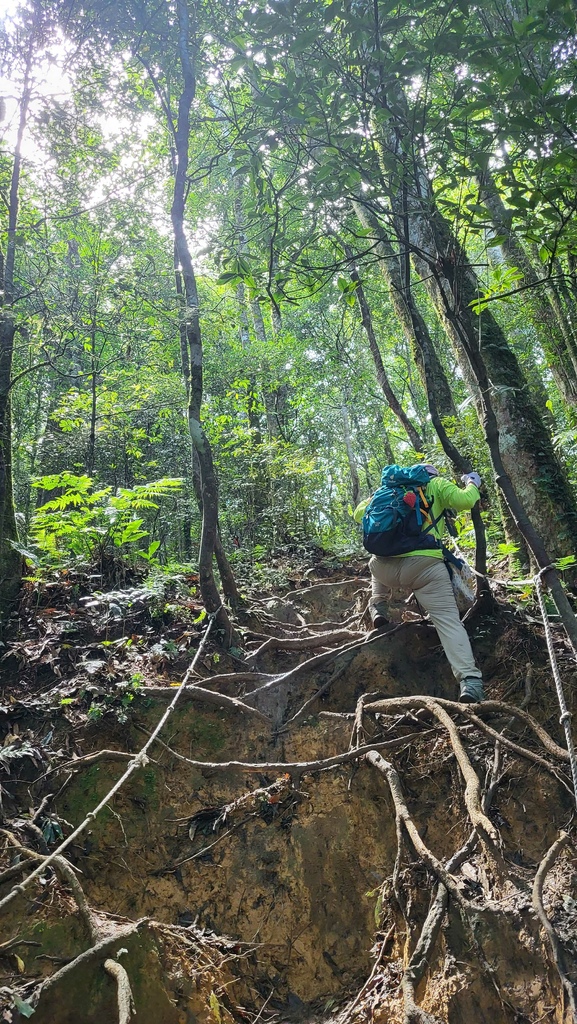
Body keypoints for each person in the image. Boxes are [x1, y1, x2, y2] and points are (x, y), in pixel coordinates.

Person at [354, 464, 485, 704]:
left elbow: (358, 514)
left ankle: (378, 606)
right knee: (448, 623)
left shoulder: (385, 491)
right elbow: (466, 501)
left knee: (377, 555)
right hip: (425, 569)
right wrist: (472, 483)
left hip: (384, 571)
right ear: (430, 474)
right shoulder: (435, 485)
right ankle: (470, 682)